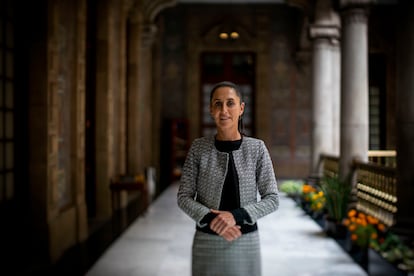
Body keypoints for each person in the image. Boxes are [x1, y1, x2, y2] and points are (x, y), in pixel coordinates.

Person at [177, 81, 279, 276]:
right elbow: (184, 197)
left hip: (245, 241)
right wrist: (210, 218)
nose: (224, 110)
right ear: (210, 109)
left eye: (230, 103)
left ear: (241, 108)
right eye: (217, 104)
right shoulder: (199, 148)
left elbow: (272, 199)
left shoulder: (257, 149)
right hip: (207, 241)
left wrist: (235, 216)